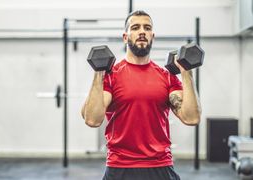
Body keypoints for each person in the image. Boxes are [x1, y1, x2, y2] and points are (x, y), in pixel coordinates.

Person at [81, 10, 201, 180]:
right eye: (136, 27)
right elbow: (92, 119)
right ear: (125, 37)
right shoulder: (111, 76)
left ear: (153, 36)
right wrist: (98, 73)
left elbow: (191, 118)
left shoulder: (167, 77)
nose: (142, 32)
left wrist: (186, 71)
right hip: (120, 167)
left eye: (147, 28)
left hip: (160, 166)